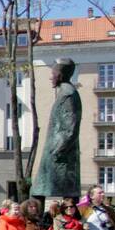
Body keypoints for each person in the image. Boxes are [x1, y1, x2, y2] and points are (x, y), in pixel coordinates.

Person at [31, 58, 82, 198]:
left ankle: (36, 219)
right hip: (58, 150)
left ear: (60, 75)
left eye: (53, 73)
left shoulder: (68, 94)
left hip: (59, 152)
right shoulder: (66, 93)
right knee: (40, 191)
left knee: (38, 192)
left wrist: (57, 150)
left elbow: (70, 128)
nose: (50, 77)